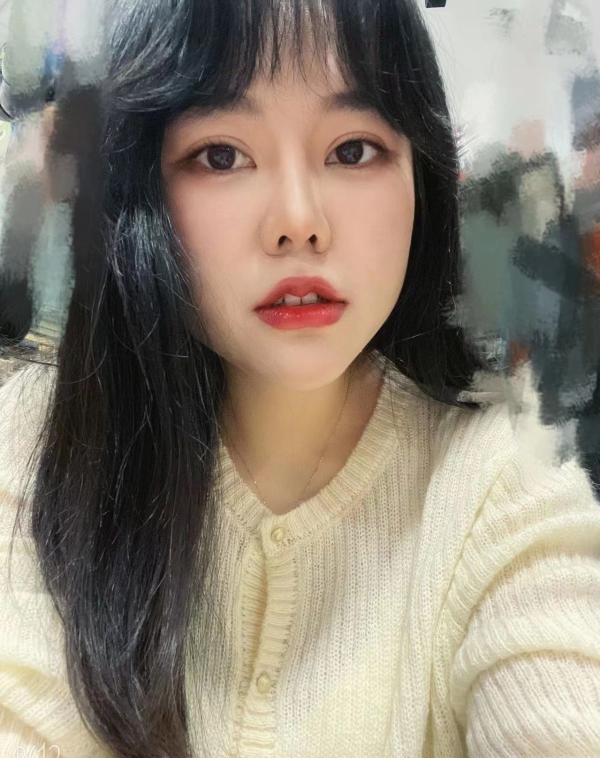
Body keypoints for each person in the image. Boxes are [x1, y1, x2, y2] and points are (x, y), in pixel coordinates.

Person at [1, 0, 599, 756]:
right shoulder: (40, 439)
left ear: (421, 175)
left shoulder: (507, 485)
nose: (298, 220)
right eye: (221, 156)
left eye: (352, 150)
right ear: (141, 189)